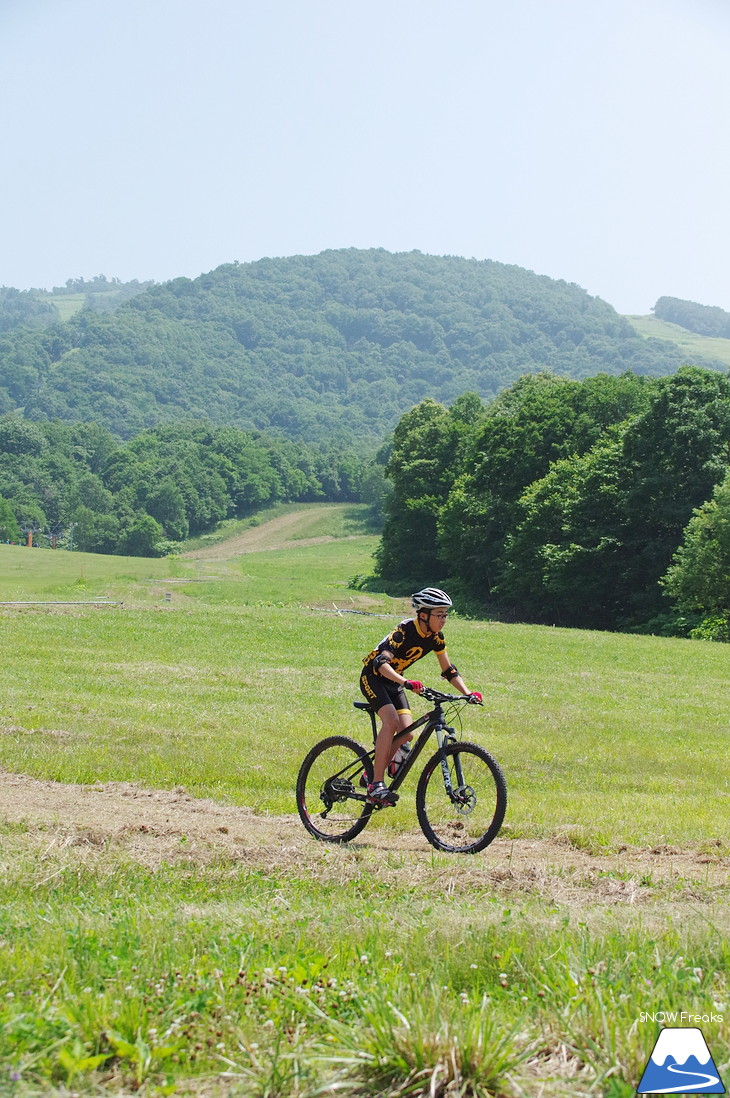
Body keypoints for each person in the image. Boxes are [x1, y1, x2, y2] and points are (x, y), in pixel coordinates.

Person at [359, 587, 482, 806]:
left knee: (407, 733)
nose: (444, 620)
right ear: (423, 614)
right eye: (439, 615)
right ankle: (376, 784)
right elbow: (381, 663)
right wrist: (406, 682)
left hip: (395, 682)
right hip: (374, 677)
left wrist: (468, 693)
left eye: (446, 615)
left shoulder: (436, 638)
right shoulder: (404, 631)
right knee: (391, 722)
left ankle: (372, 771)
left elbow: (448, 670)